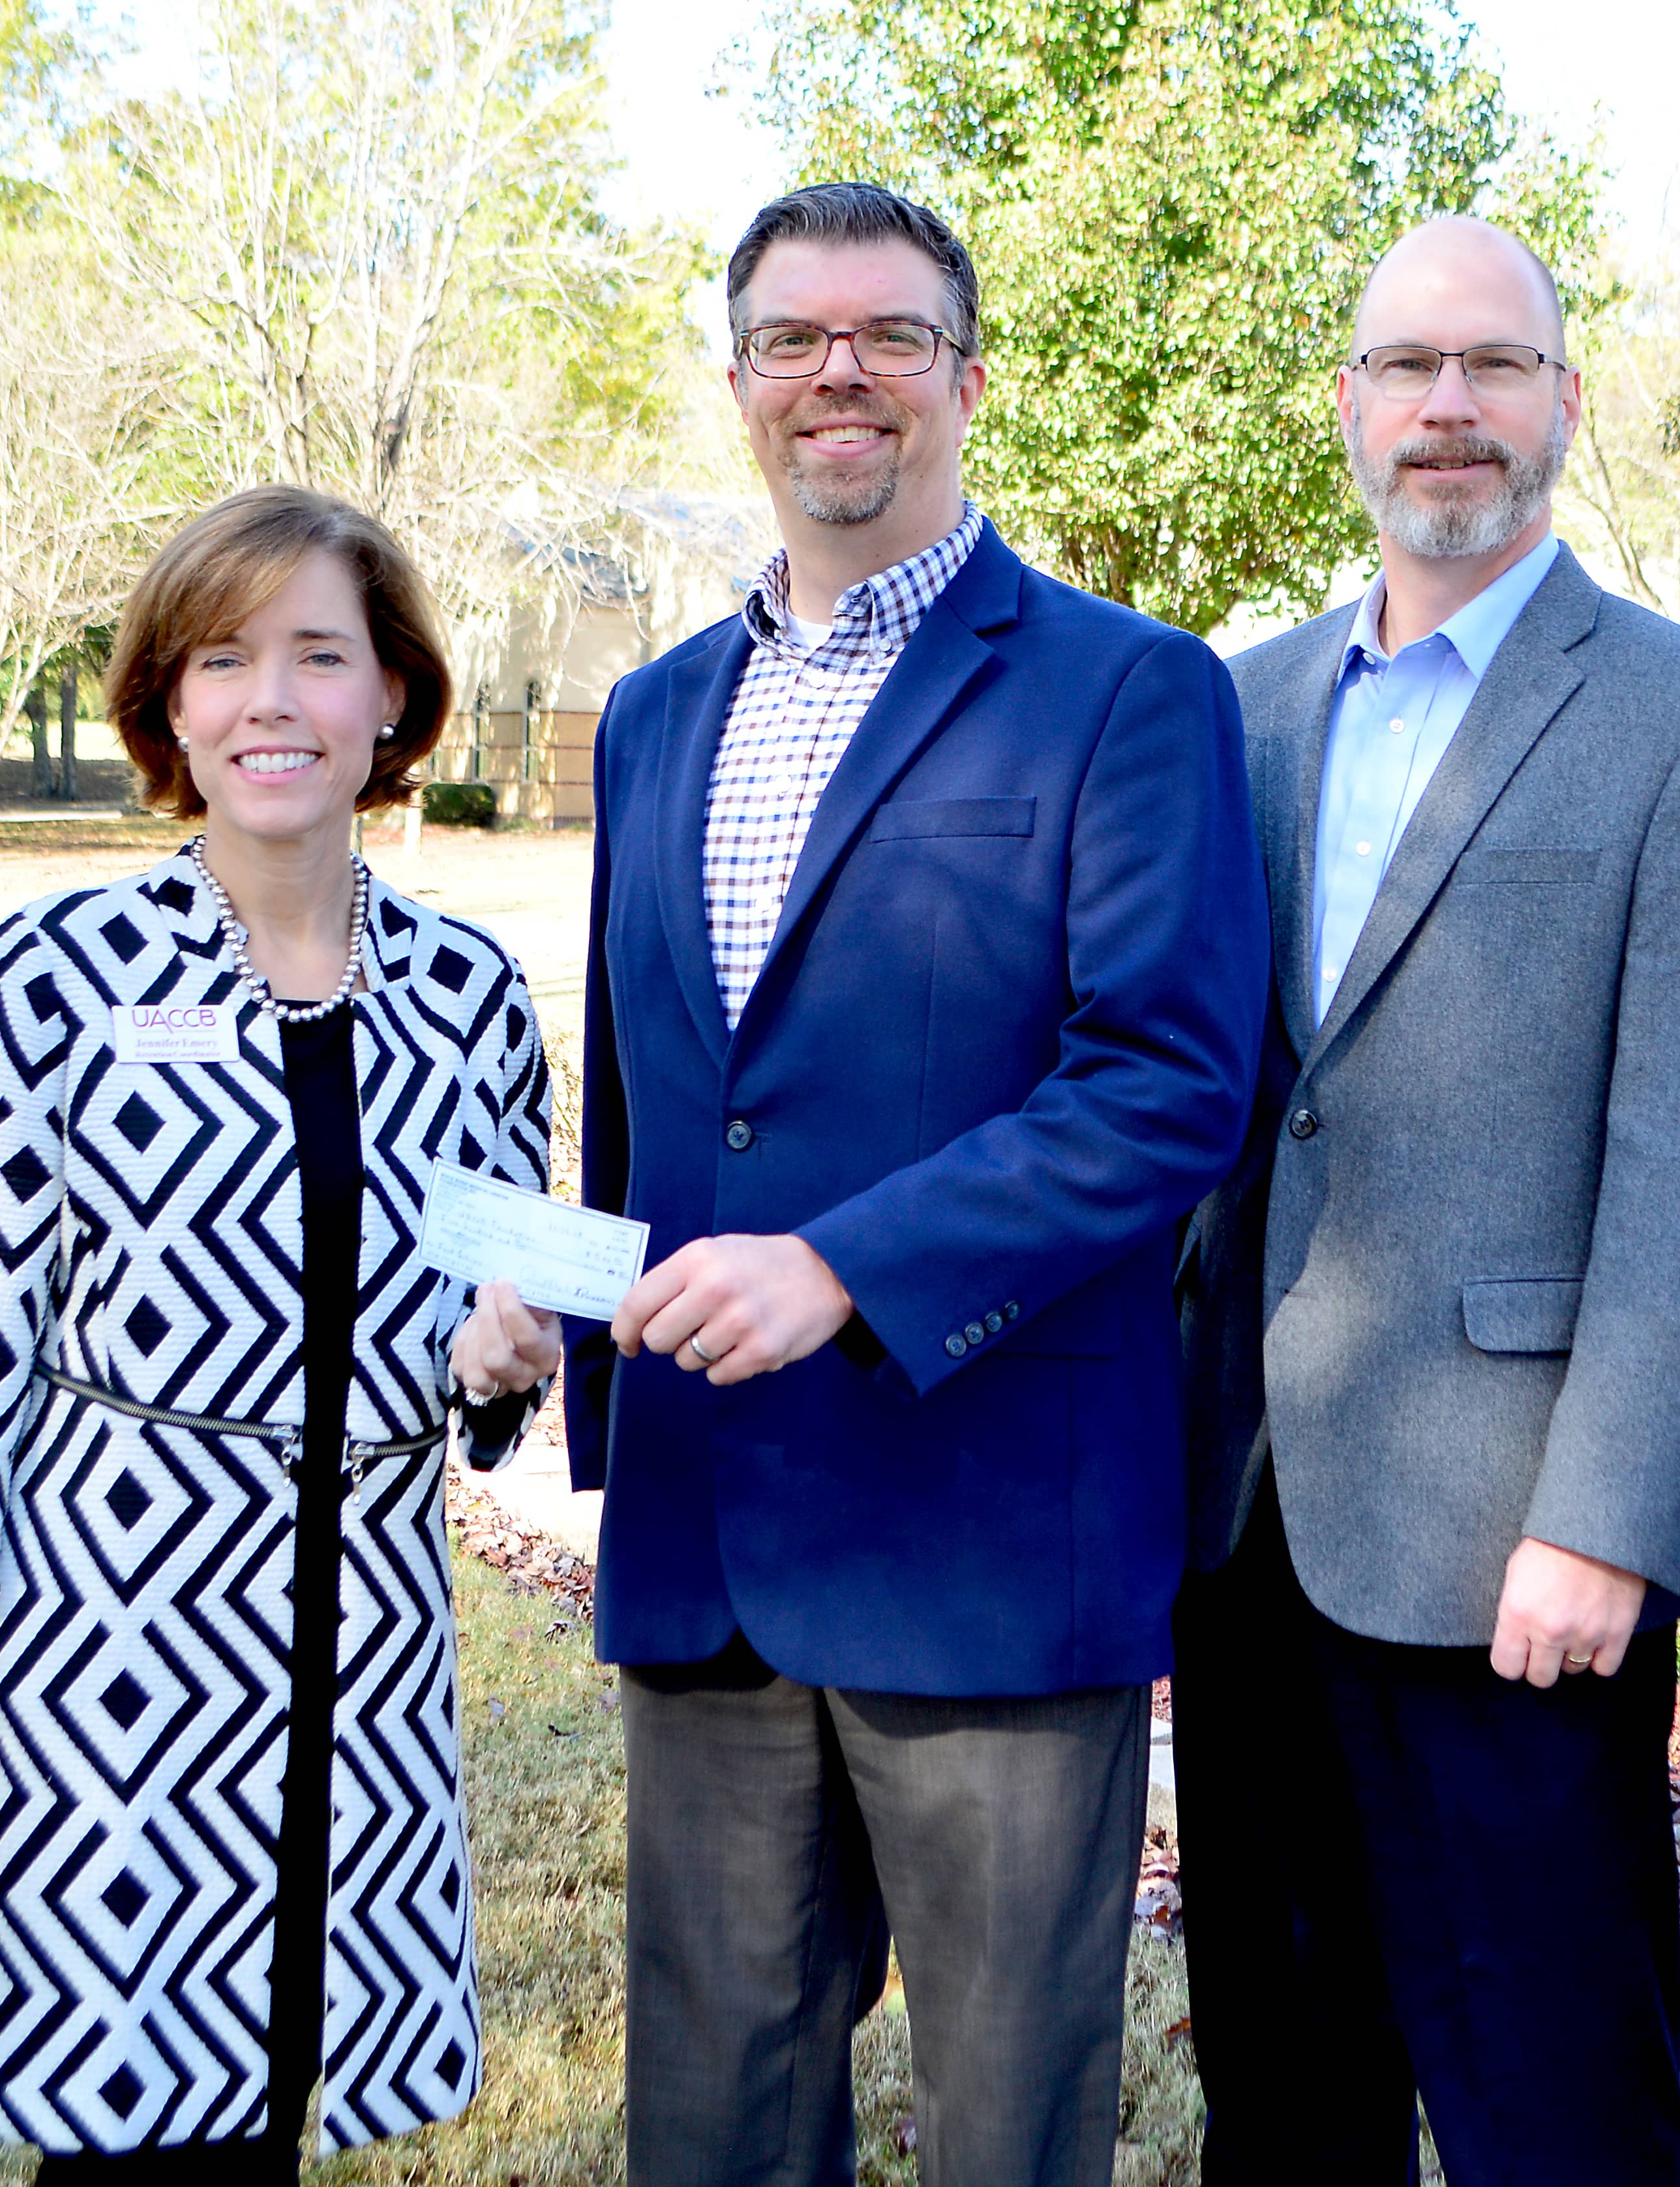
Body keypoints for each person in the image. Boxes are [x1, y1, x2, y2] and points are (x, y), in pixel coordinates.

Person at [490, 181, 1263, 2187]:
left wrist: (846, 1264)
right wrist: (566, 1336)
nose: (839, 374)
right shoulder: (655, 714)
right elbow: (660, 1121)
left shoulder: (1121, 686)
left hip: (993, 1531)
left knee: (1002, 2132)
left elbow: (1168, 1081)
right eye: (792, 339)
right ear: (737, 381)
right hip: (710, 1533)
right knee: (719, 2121)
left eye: (890, 335)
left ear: (966, 376)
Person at [1169, 215, 1680, 2186]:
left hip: (1513, 1551)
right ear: (1347, 406)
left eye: (1494, 367)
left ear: (1559, 399)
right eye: (1405, 368)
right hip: (1250, 1521)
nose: (1447, 408)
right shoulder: (1240, 704)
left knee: (1551, 2102)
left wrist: (1608, 1517)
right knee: (1282, 2087)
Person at [0, 487, 549, 2179]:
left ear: (390, 696)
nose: (271, 701)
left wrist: (498, 1378)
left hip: (362, 1659)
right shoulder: (63, 970)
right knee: (125, 2133)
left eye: (319, 655)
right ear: (168, 703)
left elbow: (488, 1359)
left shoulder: (469, 998)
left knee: (277, 2111)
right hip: (111, 1654)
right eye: (224, 658)